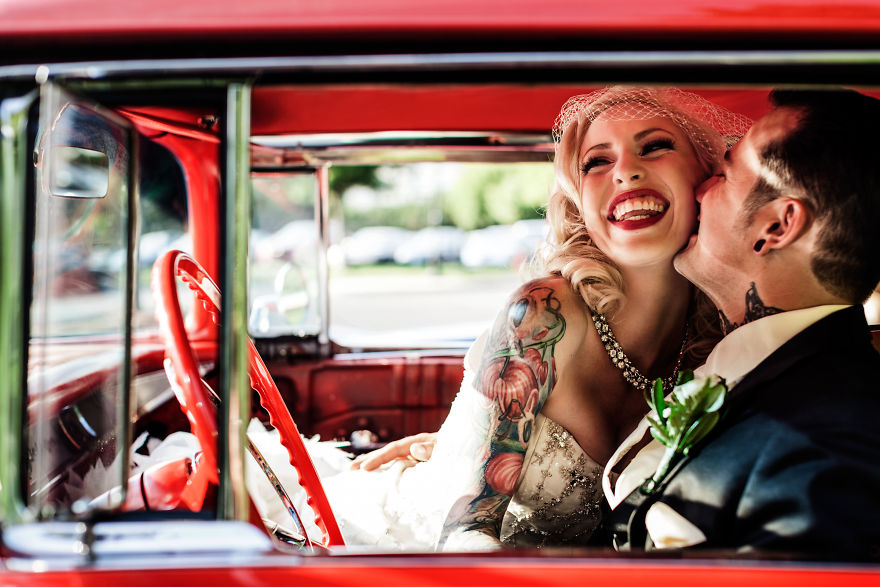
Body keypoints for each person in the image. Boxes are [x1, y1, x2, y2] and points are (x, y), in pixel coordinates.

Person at [353, 87, 751, 550]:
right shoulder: (541, 314)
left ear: (708, 179)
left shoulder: (726, 337)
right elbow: (466, 534)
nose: (626, 171)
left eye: (655, 146)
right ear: (579, 200)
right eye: (596, 162)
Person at [603, 88, 880, 561]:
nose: (701, 187)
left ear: (776, 226)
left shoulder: (833, 443)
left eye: (725, 175)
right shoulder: (745, 366)